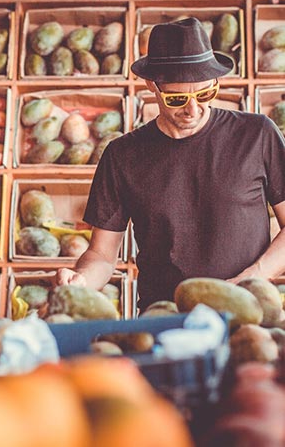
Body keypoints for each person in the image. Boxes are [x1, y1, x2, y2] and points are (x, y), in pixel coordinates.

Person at [56, 17, 285, 312]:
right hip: (164, 316)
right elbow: (101, 253)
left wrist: (251, 277)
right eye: (177, 98)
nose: (192, 109)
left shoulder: (257, 134)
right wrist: (81, 281)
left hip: (248, 312)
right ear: (153, 85)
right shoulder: (122, 155)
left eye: (205, 94)